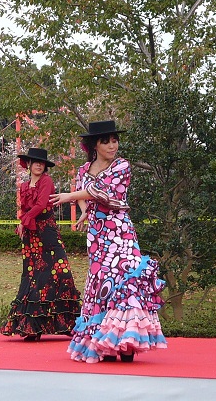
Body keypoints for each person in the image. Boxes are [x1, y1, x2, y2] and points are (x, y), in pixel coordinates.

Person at [50, 121, 167, 363]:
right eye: (106, 142)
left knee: (126, 278)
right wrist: (84, 210)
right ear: (95, 145)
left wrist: (71, 196)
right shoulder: (84, 169)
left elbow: (101, 192)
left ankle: (127, 344)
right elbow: (84, 192)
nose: (112, 146)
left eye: (115, 140)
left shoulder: (122, 166)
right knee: (102, 282)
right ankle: (107, 343)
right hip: (97, 235)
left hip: (120, 231)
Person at [0, 148, 81, 341]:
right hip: (31, 233)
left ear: (45, 166)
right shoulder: (24, 186)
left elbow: (41, 204)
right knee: (32, 275)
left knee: (61, 271)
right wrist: (24, 222)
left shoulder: (46, 181)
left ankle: (68, 323)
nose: (38, 164)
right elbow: (25, 208)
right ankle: (32, 327)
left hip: (47, 231)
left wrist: (23, 220)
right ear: (28, 164)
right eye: (34, 161)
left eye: (41, 162)